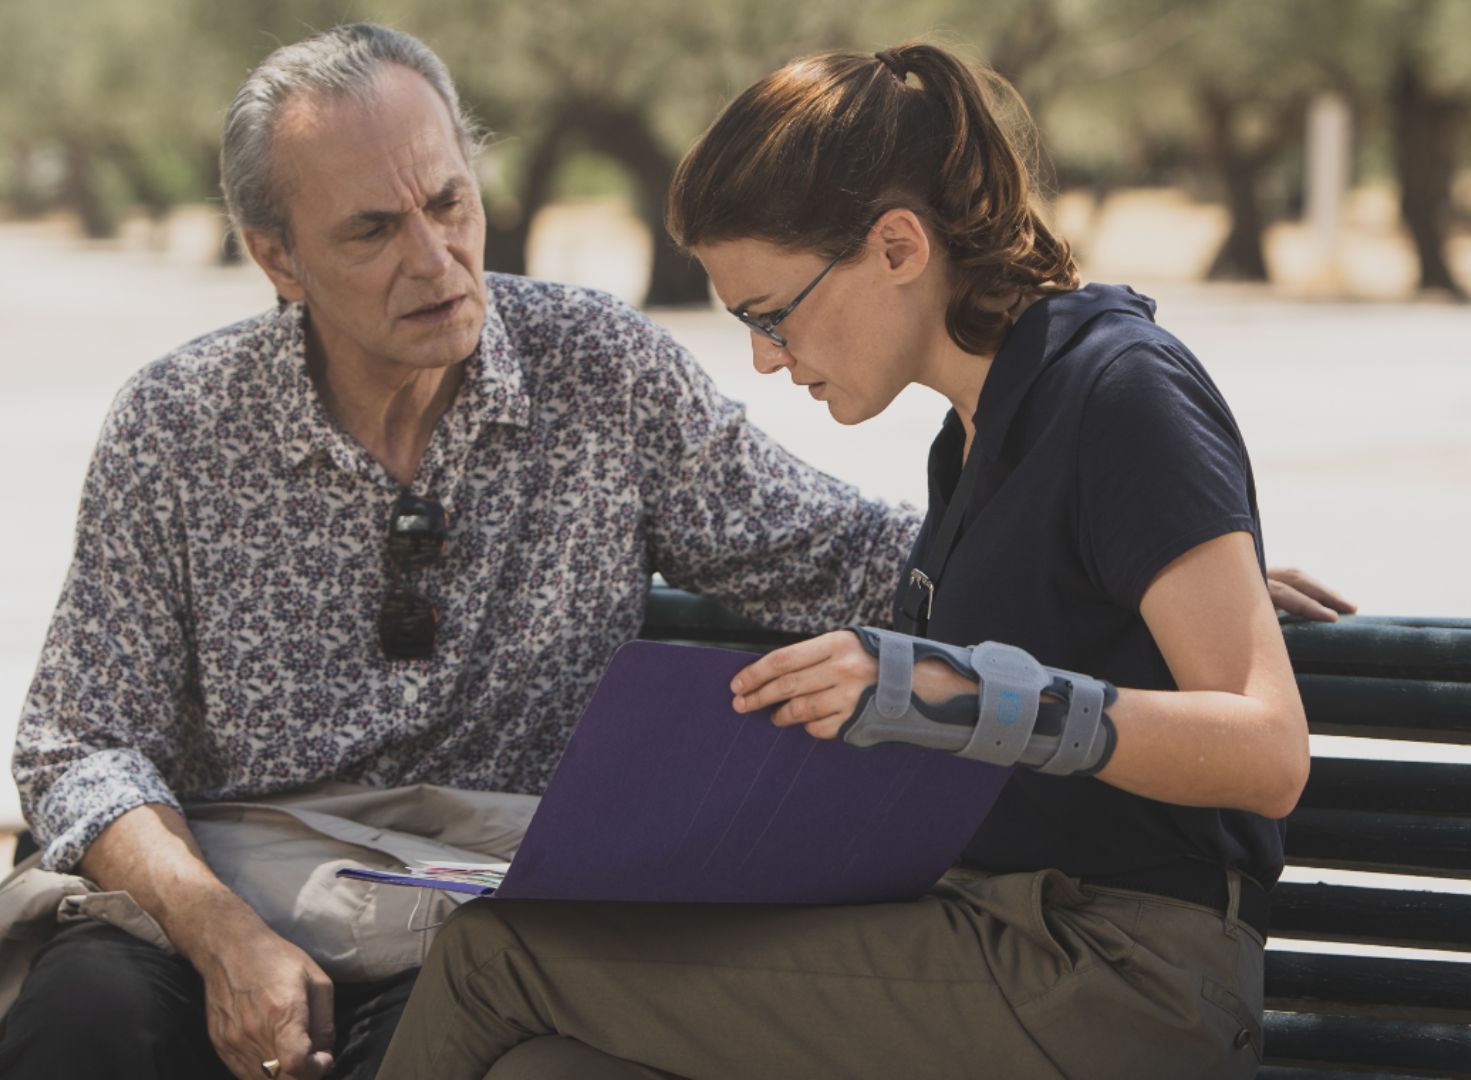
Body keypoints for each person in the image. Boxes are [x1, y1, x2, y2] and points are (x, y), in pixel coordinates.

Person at [378, 42, 1312, 1080]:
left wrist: (954, 693)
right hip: (985, 934)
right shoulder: (975, 440)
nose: (766, 360)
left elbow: (1268, 754)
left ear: (899, 247)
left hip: (1119, 973)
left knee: (489, 960)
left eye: (772, 315)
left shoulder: (1117, 388)